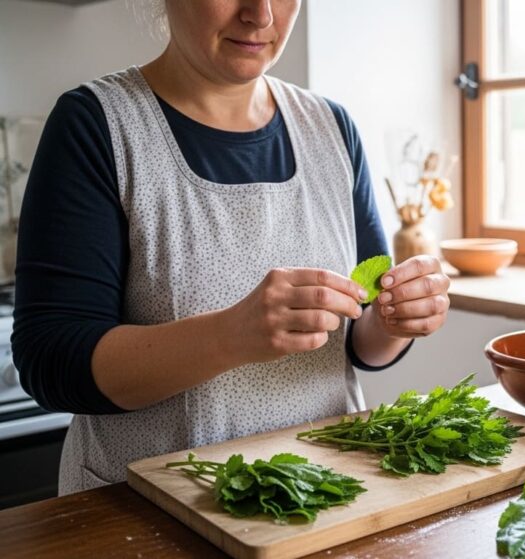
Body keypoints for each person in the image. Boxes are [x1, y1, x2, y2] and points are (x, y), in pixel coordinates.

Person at [12, 0, 451, 495]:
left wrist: (395, 321)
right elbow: (52, 359)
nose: (260, 14)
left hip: (320, 498)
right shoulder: (96, 125)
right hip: (149, 510)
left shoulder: (332, 128)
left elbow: (357, 345)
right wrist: (230, 335)